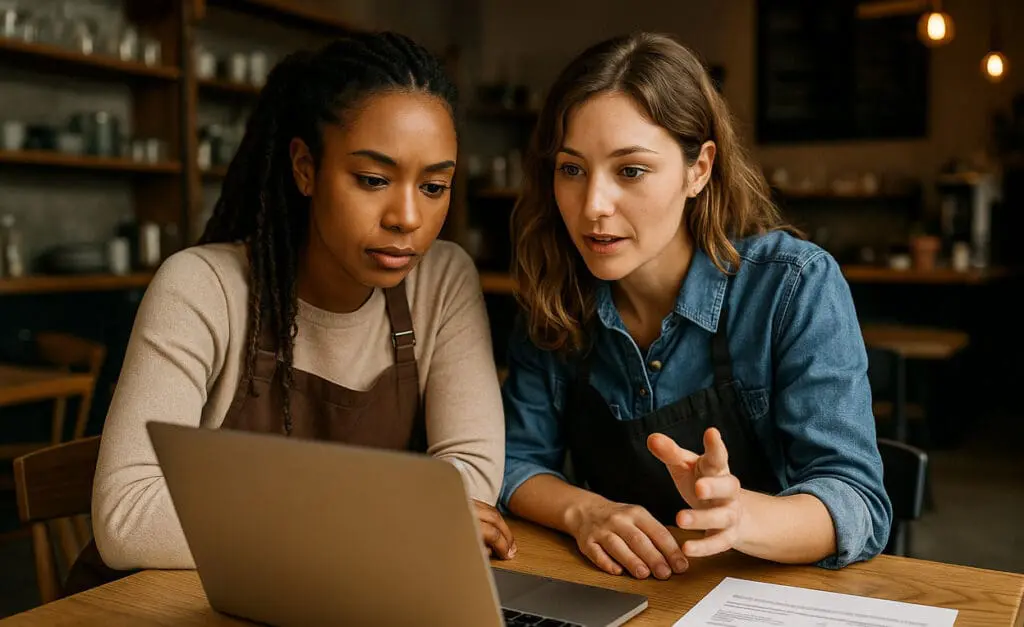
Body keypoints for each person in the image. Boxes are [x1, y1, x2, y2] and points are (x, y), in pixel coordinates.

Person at [69, 31, 515, 593]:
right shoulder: (202, 288)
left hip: (321, 598)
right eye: (373, 180)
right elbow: (129, 519)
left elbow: (469, 481)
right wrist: (374, 521)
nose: (407, 216)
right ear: (305, 167)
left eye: (434, 186)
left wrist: (360, 528)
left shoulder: (442, 281)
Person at [500, 32, 892, 581]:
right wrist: (585, 511)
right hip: (625, 593)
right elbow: (513, 464)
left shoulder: (792, 286)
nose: (593, 205)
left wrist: (744, 516)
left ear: (699, 169)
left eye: (630, 170)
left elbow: (856, 501)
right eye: (571, 169)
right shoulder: (555, 295)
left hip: (767, 596)